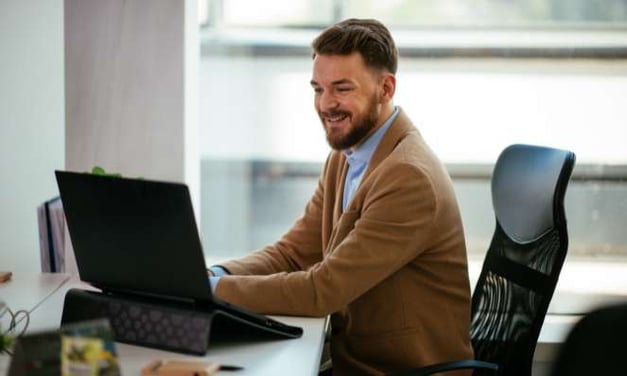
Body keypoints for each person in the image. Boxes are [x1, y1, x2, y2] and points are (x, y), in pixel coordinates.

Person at [208, 18, 473, 375]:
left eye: (342, 89)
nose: (325, 104)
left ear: (386, 87)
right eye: (318, 89)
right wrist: (214, 273)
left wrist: (214, 290)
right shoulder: (345, 156)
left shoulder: (409, 177)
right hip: (358, 362)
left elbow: (322, 290)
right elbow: (293, 253)